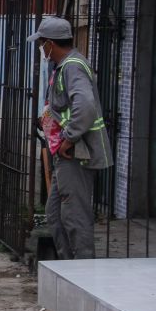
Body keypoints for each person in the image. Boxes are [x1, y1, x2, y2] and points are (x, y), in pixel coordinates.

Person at [28, 16, 113, 260]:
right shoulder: (65, 65)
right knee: (55, 214)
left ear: (51, 44)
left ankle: (83, 271)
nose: (41, 48)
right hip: (66, 153)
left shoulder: (72, 66)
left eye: (42, 43)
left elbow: (85, 105)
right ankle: (68, 268)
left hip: (77, 153)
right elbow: (66, 105)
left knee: (74, 214)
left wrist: (69, 137)